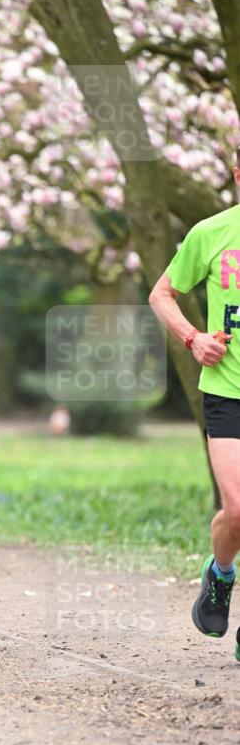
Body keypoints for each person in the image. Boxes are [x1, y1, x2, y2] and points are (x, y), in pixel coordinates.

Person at [149, 146, 240, 662]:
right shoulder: (211, 232)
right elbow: (161, 294)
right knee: (238, 510)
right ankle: (220, 575)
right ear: (237, 174)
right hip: (228, 387)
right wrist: (192, 338)